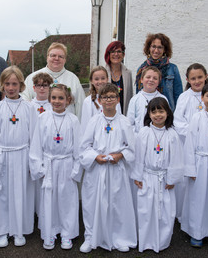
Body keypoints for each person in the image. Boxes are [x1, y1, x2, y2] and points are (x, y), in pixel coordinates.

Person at [79, 83, 137, 253]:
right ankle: (91, 237)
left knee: (117, 205)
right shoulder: (94, 121)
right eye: (105, 97)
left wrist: (120, 155)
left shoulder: (124, 121)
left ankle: (119, 237)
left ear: (118, 100)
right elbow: (84, 146)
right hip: (97, 170)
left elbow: (131, 148)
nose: (109, 100)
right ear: (100, 100)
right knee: (93, 205)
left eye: (112, 96)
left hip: (116, 170)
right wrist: (95, 157)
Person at [0, 66, 36, 248]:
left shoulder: (29, 108)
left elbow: (35, 137)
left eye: (14, 84)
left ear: (21, 85)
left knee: (21, 194)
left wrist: (33, 162)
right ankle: (2, 231)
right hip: (3, 157)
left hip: (23, 155)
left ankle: (19, 231)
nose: (11, 87)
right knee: (2, 195)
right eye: (7, 84)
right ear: (2, 85)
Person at [29, 84, 81, 250]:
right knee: (49, 200)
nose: (57, 101)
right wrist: (40, 168)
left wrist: (75, 170)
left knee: (67, 201)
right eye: (54, 98)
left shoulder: (73, 120)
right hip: (49, 165)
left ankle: (67, 234)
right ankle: (49, 233)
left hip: (66, 164)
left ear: (68, 100)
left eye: (61, 98)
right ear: (49, 98)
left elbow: (79, 147)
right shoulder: (43, 118)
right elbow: (36, 145)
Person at [131, 97, 184, 253]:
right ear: (149, 114)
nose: (158, 115)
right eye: (153, 112)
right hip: (148, 177)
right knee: (146, 211)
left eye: (161, 111)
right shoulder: (144, 132)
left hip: (164, 179)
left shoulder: (172, 134)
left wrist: (172, 178)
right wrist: (138, 176)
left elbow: (177, 158)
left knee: (166, 212)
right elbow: (139, 156)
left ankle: (162, 241)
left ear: (167, 113)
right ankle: (147, 240)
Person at [173, 63, 208, 222]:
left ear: (206, 76)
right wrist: (196, 134)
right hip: (188, 146)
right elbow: (178, 122)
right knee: (187, 185)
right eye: (193, 78)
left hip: (206, 149)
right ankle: (184, 217)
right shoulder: (184, 97)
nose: (197, 81)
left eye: (200, 77)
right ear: (187, 79)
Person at [21, 42, 85, 120]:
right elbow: (24, 102)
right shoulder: (32, 78)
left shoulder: (73, 79)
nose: (56, 58)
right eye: (53, 55)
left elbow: (80, 106)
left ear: (65, 60)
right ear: (47, 57)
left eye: (60, 56)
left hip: (66, 126)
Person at [181, 82, 208, 248]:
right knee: (198, 199)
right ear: (202, 98)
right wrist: (190, 168)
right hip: (200, 163)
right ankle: (197, 232)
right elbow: (190, 144)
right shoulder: (197, 117)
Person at [135, 33, 183, 111]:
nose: (156, 50)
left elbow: (178, 96)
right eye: (153, 46)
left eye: (160, 47)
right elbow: (138, 94)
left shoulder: (172, 69)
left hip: (167, 113)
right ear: (149, 48)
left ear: (165, 50)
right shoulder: (141, 69)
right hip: (146, 112)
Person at [30, 72, 53, 217]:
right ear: (34, 87)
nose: (42, 89)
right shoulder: (29, 105)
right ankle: (34, 212)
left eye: (45, 85)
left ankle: (46, 214)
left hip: (49, 150)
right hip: (33, 148)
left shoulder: (54, 105)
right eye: (39, 85)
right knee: (33, 186)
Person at [127, 66, 168, 134]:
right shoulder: (135, 99)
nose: (151, 80)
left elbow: (166, 119)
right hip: (139, 137)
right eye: (148, 77)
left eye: (155, 78)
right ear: (142, 80)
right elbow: (130, 122)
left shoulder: (163, 99)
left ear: (158, 82)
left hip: (158, 136)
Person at [81, 66, 121, 132]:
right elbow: (85, 125)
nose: (100, 81)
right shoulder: (88, 101)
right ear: (91, 81)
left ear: (107, 79)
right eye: (96, 79)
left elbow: (119, 119)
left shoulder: (114, 99)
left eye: (103, 78)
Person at [104, 41, 133, 115]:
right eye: (113, 51)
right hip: (107, 114)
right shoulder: (103, 73)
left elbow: (129, 96)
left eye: (119, 51)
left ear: (123, 55)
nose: (116, 54)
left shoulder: (128, 73)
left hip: (124, 115)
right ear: (109, 54)